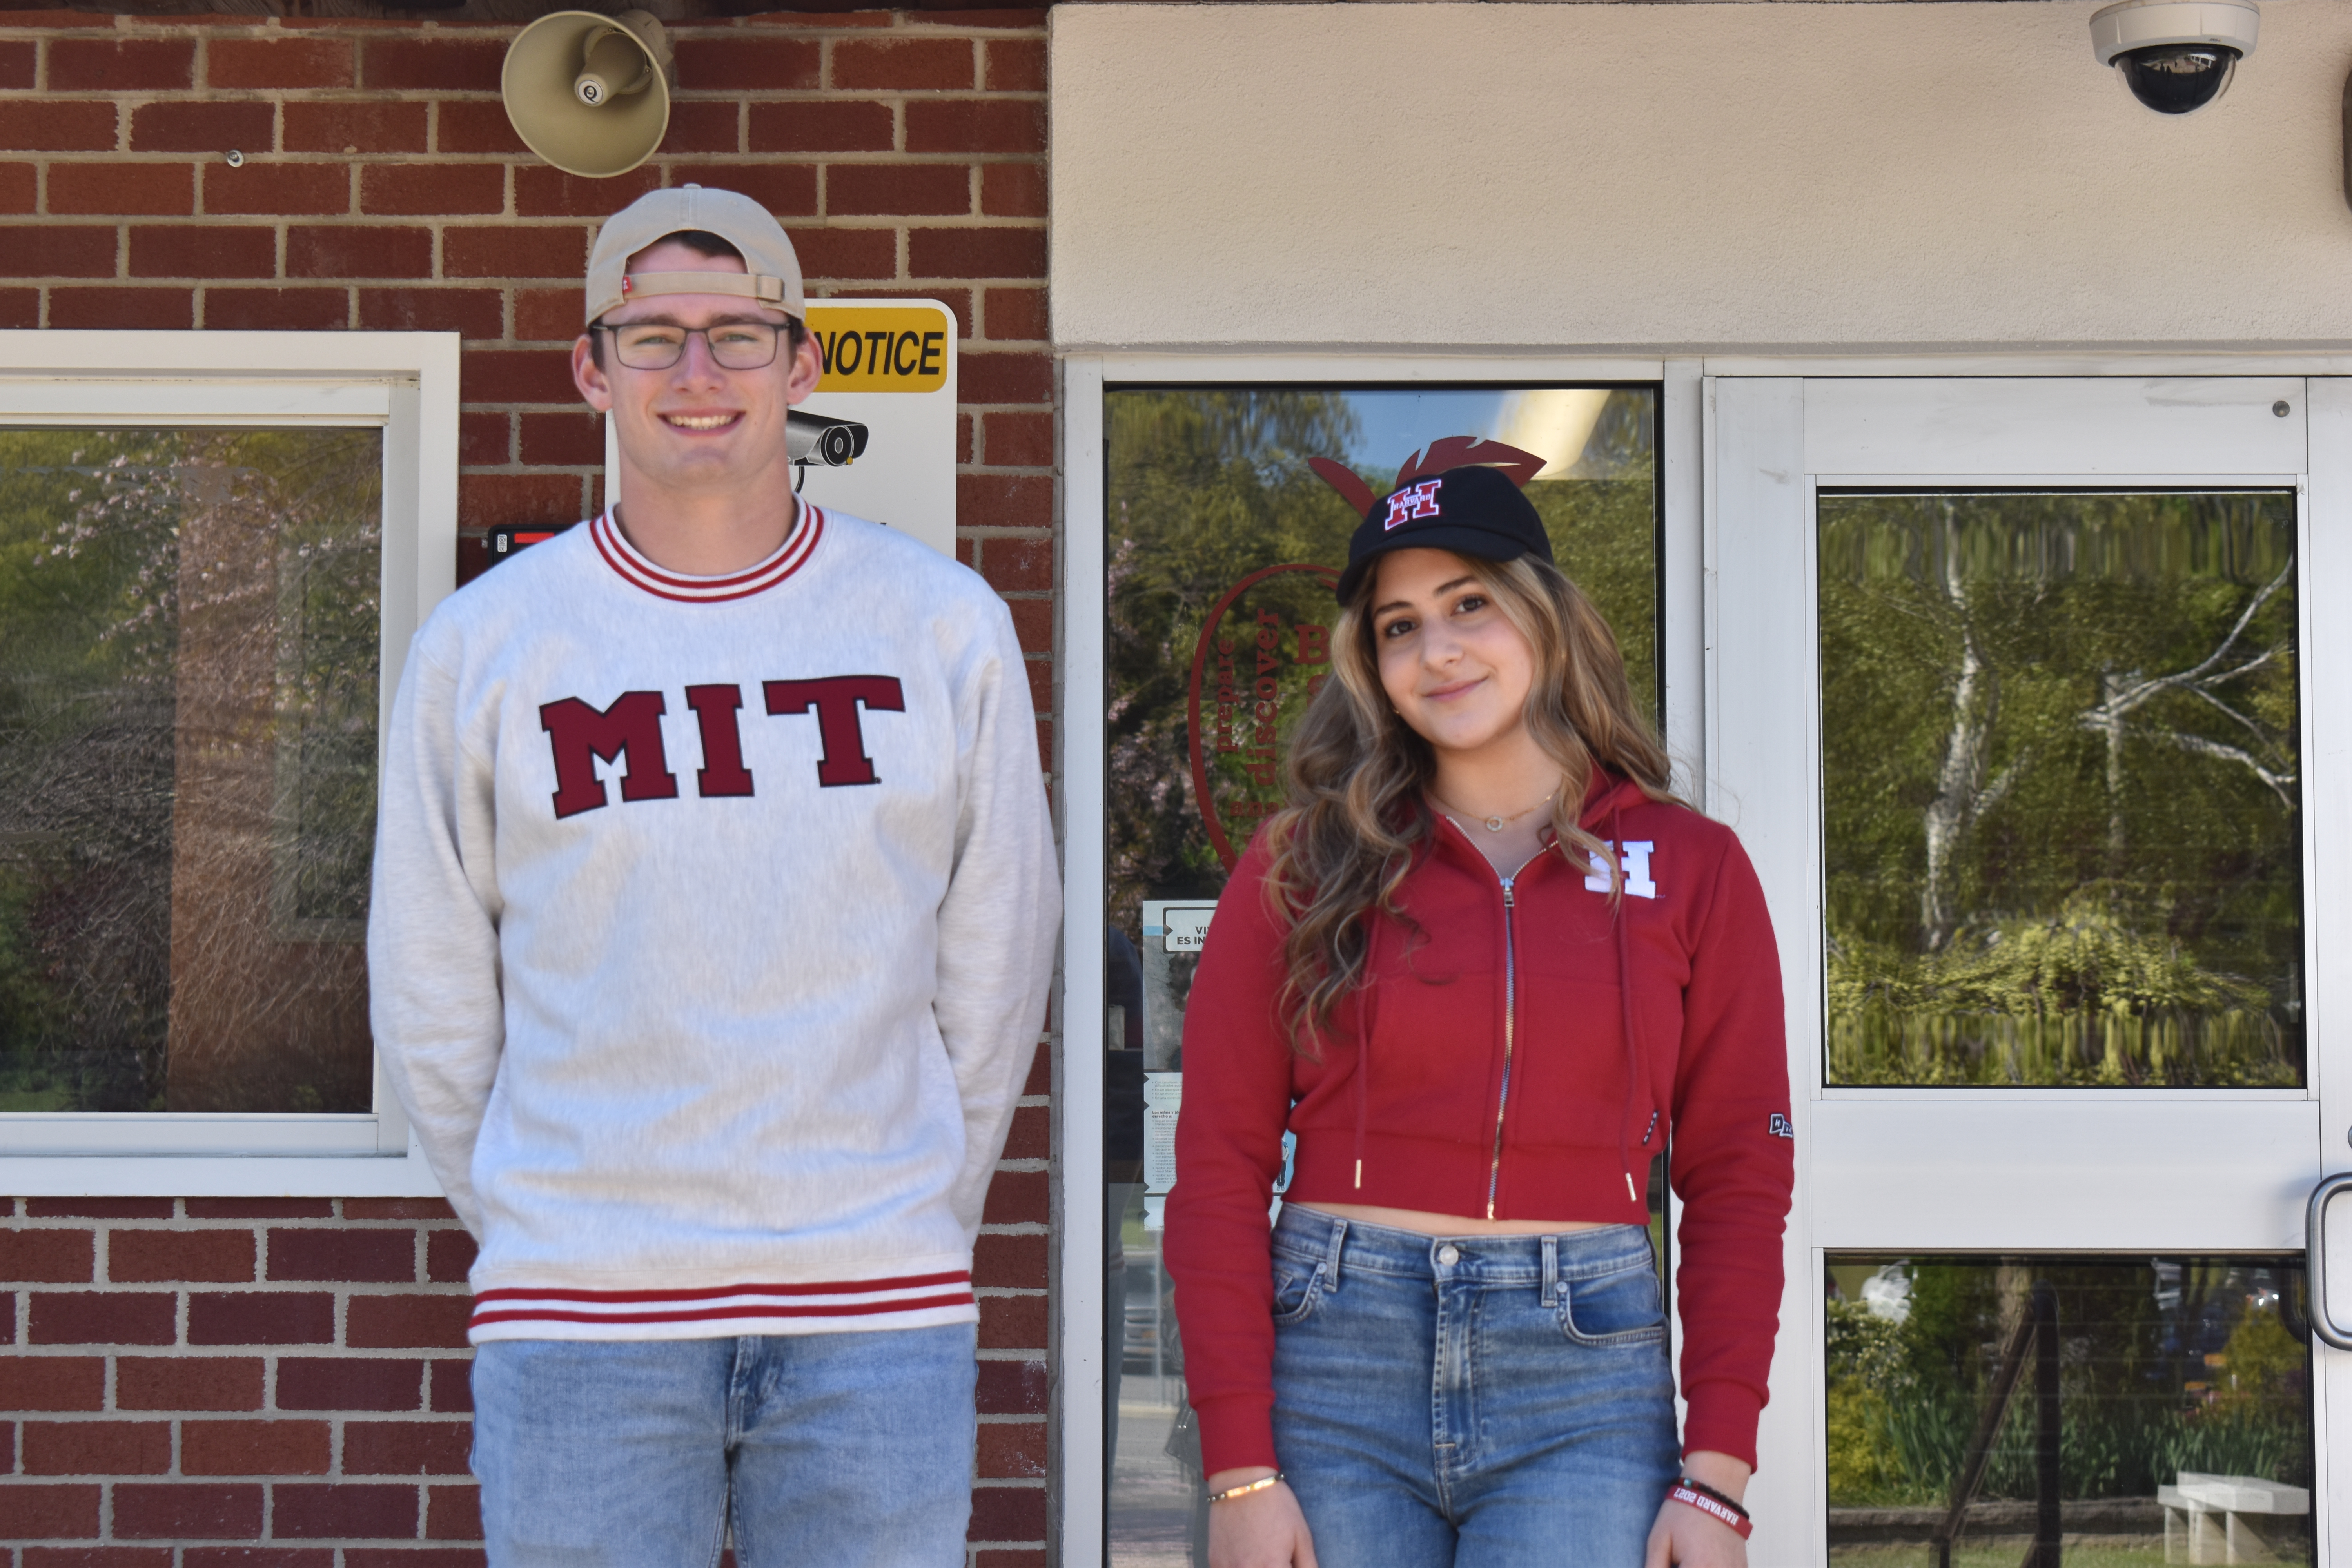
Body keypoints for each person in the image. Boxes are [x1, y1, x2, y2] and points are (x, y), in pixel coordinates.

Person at [366, 185, 1059, 1567]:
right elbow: (431, 983)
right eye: (654, 334)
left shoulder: (940, 627)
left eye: (739, 334)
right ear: (591, 366)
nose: (697, 373)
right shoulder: (490, 644)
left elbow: (997, 968)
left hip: (871, 1313)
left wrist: (911, 1203)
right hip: (582, 1317)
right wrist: (540, 1217)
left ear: (802, 363)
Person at [1164, 461, 1793, 1568]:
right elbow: (1217, 1163)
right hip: (1335, 1368)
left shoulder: (1691, 867)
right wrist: (1239, 1472)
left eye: (1470, 605)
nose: (1438, 650)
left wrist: (1719, 1476)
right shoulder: (1301, 866)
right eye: (1398, 626)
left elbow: (1741, 1168)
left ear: (1544, 617)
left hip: (1586, 1378)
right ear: (1371, 665)